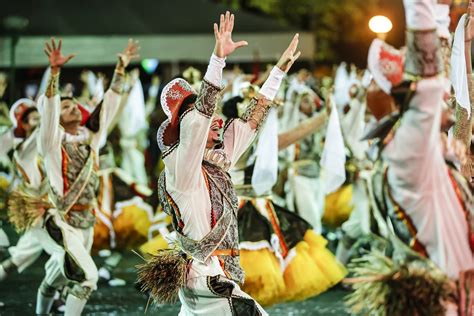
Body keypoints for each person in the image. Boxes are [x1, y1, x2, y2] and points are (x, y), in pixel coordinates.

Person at [138, 11, 300, 315]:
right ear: (187, 128)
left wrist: (278, 73)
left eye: (214, 117)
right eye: (205, 117)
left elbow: (253, 120)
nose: (215, 120)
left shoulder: (218, 162)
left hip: (215, 273)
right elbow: (198, 123)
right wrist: (217, 60)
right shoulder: (182, 170)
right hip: (205, 278)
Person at [36, 37, 139, 315]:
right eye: (66, 107)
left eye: (74, 107)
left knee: (57, 277)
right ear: (57, 116)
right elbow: (48, 111)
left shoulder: (91, 138)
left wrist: (120, 70)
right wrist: (55, 74)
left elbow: (109, 106)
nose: (72, 109)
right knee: (88, 278)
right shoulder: (51, 141)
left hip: (87, 223)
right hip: (62, 221)